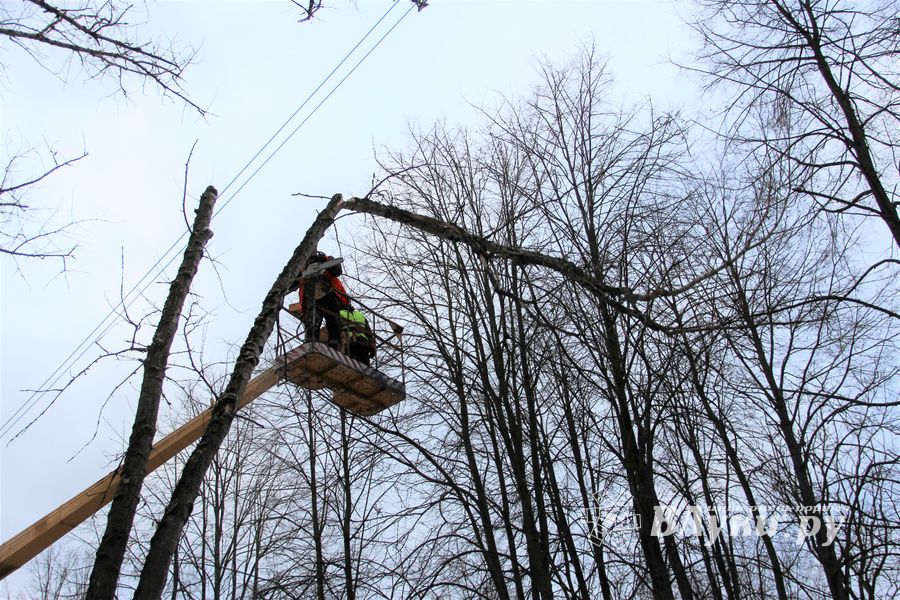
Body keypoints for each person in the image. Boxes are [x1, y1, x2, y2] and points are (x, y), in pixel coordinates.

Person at [298, 251, 349, 346]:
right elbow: (292, 283)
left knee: (332, 317)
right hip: (310, 297)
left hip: (327, 293)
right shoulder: (302, 274)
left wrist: (346, 303)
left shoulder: (327, 263)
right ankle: (311, 339)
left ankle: (334, 341)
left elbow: (337, 272)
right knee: (313, 320)